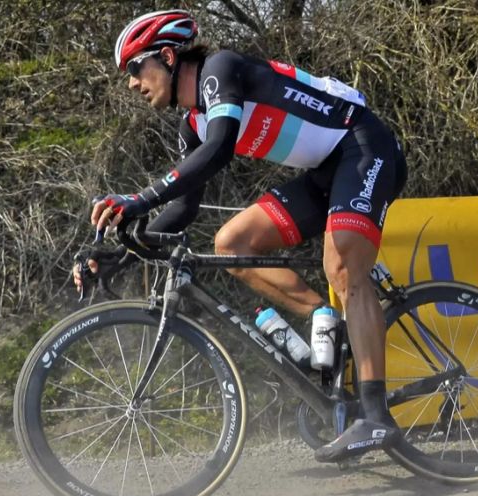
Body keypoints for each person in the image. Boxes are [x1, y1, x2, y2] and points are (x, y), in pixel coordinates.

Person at [76, 9, 407, 463]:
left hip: (363, 145)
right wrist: (121, 252)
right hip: (326, 171)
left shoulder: (221, 69)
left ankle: (376, 416)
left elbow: (220, 148)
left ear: (168, 56)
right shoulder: (191, 124)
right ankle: (323, 317)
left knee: (344, 266)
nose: (132, 82)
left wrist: (137, 199)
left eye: (135, 67)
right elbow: (184, 207)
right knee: (231, 244)